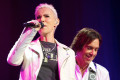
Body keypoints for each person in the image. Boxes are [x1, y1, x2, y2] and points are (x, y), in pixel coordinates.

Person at [7, 3, 76, 80]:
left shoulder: (68, 53)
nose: (42, 20)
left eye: (46, 16)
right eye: (38, 17)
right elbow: (13, 61)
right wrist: (28, 32)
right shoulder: (28, 47)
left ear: (56, 22)